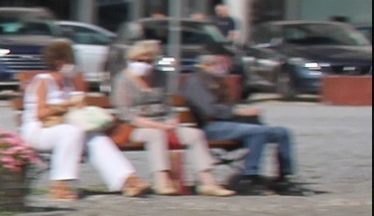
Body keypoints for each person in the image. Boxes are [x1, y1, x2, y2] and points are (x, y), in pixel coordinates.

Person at [17, 38, 140, 202]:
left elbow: (76, 111)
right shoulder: (43, 81)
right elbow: (40, 113)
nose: (73, 66)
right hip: (38, 131)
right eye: (70, 61)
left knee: (96, 138)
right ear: (60, 62)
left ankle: (126, 179)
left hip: (63, 128)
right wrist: (67, 104)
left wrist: (81, 101)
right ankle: (59, 185)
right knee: (72, 132)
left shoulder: (69, 83)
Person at [111, 39, 227, 195]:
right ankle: (162, 180)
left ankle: (207, 181)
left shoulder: (160, 77)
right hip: (137, 126)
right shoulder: (123, 80)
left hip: (163, 121)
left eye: (149, 61)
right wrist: (156, 125)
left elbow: (168, 104)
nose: (145, 64)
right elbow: (125, 113)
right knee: (156, 135)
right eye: (140, 60)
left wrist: (173, 119)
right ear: (131, 60)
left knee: (195, 134)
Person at [180, 50, 298, 192]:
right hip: (210, 127)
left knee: (281, 132)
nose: (226, 67)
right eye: (222, 63)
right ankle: (249, 175)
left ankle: (285, 177)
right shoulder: (196, 81)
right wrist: (237, 111)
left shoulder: (216, 80)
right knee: (257, 132)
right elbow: (209, 110)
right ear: (208, 64)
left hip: (229, 124)